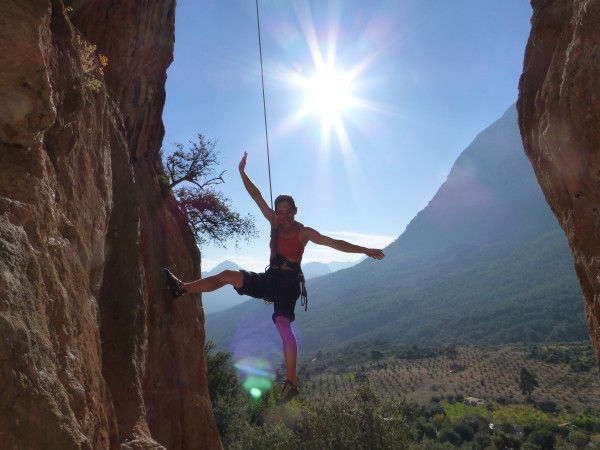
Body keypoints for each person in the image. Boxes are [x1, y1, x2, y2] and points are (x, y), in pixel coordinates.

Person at [164, 151, 385, 403]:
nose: (284, 216)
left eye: (288, 211)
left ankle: (292, 382)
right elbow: (256, 196)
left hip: (288, 284)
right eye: (280, 212)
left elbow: (335, 243)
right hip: (270, 280)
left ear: (295, 210)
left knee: (282, 324)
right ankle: (182, 288)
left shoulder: (304, 232)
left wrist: (366, 250)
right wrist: (242, 172)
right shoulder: (274, 223)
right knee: (228, 275)